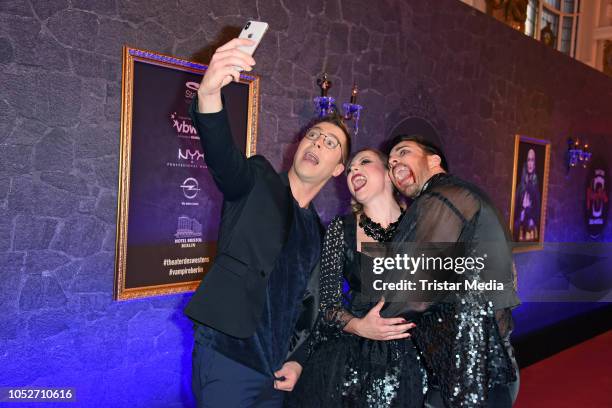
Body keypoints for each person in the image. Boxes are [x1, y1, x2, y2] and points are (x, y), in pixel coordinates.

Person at [184, 37, 351, 407]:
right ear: (297, 146)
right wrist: (209, 94)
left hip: (275, 374)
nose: (317, 144)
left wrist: (298, 361)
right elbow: (222, 156)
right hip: (228, 358)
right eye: (313, 136)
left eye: (330, 143)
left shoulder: (321, 233)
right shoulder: (258, 181)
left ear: (339, 168)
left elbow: (312, 307)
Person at [385, 134, 520, 408]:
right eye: (389, 162)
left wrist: (364, 326)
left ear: (434, 161)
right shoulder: (465, 195)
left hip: (468, 377)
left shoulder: (441, 197)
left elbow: (416, 291)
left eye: (404, 152)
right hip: (485, 368)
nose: (394, 162)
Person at [285, 149, 426, 408]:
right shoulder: (341, 228)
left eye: (364, 162)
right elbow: (326, 304)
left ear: (388, 173)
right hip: (349, 357)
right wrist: (360, 326)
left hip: (410, 357)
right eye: (349, 169)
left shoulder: (422, 226)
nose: (353, 171)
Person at [514, 148, 540, 242]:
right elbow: (516, 207)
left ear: (535, 163)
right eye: (528, 160)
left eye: (532, 160)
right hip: (520, 225)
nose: (530, 163)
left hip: (531, 227)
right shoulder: (520, 187)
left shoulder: (536, 186)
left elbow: (537, 209)